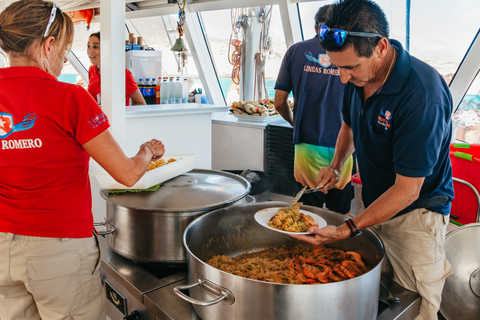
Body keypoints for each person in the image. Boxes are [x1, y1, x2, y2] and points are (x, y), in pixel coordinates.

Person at [0, 1, 164, 319]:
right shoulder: (71, 98)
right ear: (48, 45)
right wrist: (147, 151)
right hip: (59, 251)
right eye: (64, 48)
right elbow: (128, 174)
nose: (65, 58)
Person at [291, 1, 454, 319]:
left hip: (417, 216)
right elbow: (349, 126)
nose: (342, 77)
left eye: (350, 67)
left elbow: (407, 191)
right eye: (337, 66)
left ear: (381, 47)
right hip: (375, 204)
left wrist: (346, 228)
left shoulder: (422, 96)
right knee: (373, 292)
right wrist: (336, 164)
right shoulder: (357, 80)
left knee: (413, 304)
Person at [274, 4, 353, 214]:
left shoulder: (295, 52)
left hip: (307, 145)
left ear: (316, 27)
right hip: (345, 145)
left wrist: (294, 121)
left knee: (308, 212)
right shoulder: (350, 53)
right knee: (340, 213)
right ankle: (339, 245)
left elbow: (279, 102)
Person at [87, 31, 146, 106]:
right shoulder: (92, 70)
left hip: (116, 117)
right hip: (97, 117)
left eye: (95, 47)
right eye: (88, 46)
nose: (90, 51)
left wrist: (118, 112)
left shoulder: (122, 74)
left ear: (107, 49)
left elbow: (141, 103)